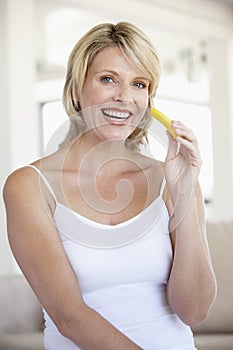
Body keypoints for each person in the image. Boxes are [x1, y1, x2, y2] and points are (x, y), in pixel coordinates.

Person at [3, 22, 216, 350]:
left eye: (139, 84)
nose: (125, 97)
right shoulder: (29, 186)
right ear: (76, 89)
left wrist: (184, 193)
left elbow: (195, 310)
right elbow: (70, 316)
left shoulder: (172, 180)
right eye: (107, 79)